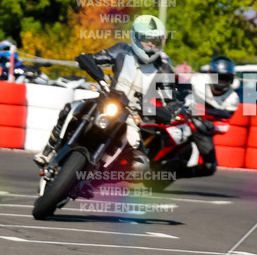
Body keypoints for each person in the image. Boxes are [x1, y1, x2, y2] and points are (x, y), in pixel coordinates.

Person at [33, 15, 174, 170]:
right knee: (70, 109)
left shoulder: (164, 70)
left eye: (154, 40)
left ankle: (104, 179)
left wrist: (165, 112)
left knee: (140, 164)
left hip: (131, 116)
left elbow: (171, 103)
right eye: (145, 39)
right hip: (107, 100)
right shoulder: (122, 50)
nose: (150, 44)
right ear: (135, 37)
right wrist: (87, 61)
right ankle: (48, 150)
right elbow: (95, 58)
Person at [181, 55, 240, 178]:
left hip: (202, 128)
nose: (220, 81)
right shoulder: (198, 80)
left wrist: (210, 125)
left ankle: (171, 174)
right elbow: (177, 83)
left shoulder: (232, 98)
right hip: (183, 116)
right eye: (217, 77)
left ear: (231, 79)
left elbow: (224, 125)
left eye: (224, 78)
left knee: (210, 167)